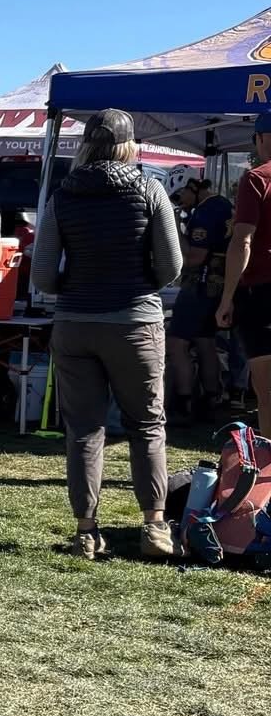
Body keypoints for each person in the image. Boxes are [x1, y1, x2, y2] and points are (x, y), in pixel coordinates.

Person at [32, 108, 182, 560]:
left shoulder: (63, 195)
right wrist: (142, 284)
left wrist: (74, 286)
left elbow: (42, 275)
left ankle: (86, 531)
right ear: (129, 145)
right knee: (147, 426)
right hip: (135, 322)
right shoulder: (149, 189)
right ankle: (155, 527)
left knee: (83, 430)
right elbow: (172, 265)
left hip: (75, 323)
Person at [216, 110, 271, 433]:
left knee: (267, 392)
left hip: (262, 292)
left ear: (259, 139)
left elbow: (242, 241)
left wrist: (226, 298)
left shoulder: (256, 179)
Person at [166, 177, 230, 420]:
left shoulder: (204, 212)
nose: (178, 202)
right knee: (205, 342)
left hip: (200, 285)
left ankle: (184, 403)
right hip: (217, 286)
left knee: (177, 343)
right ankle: (212, 398)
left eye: (178, 196)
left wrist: (174, 229)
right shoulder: (223, 204)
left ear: (191, 188)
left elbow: (193, 259)